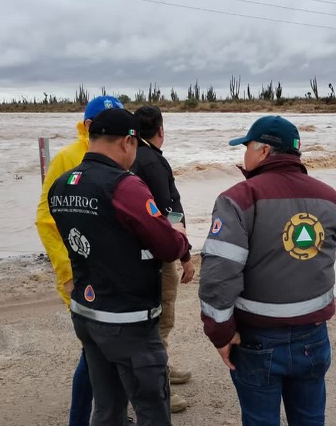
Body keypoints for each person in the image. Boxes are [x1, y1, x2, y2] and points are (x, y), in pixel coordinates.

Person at [198, 116, 336, 426]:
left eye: (246, 147)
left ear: (264, 151)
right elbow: (327, 251)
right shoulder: (329, 197)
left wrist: (221, 335)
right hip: (314, 338)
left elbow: (218, 277)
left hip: (257, 343)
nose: (243, 155)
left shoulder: (238, 199)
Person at [48, 107, 189, 426]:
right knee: (152, 407)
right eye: (136, 146)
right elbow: (167, 246)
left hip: (86, 311)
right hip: (128, 318)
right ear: (127, 142)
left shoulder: (62, 184)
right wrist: (178, 236)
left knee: (107, 407)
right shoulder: (125, 186)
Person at [35, 95, 123, 426]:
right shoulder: (67, 158)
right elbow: (45, 218)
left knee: (109, 351)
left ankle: (111, 413)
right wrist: (67, 273)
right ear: (88, 126)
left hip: (111, 273)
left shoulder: (119, 154)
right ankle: (80, 419)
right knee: (93, 352)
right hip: (80, 275)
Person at [130, 105, 194, 414]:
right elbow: (170, 211)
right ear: (160, 131)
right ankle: (158, 390)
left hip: (135, 255)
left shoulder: (131, 158)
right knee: (161, 320)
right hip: (158, 254)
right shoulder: (153, 162)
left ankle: (162, 371)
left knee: (152, 321)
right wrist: (185, 254)